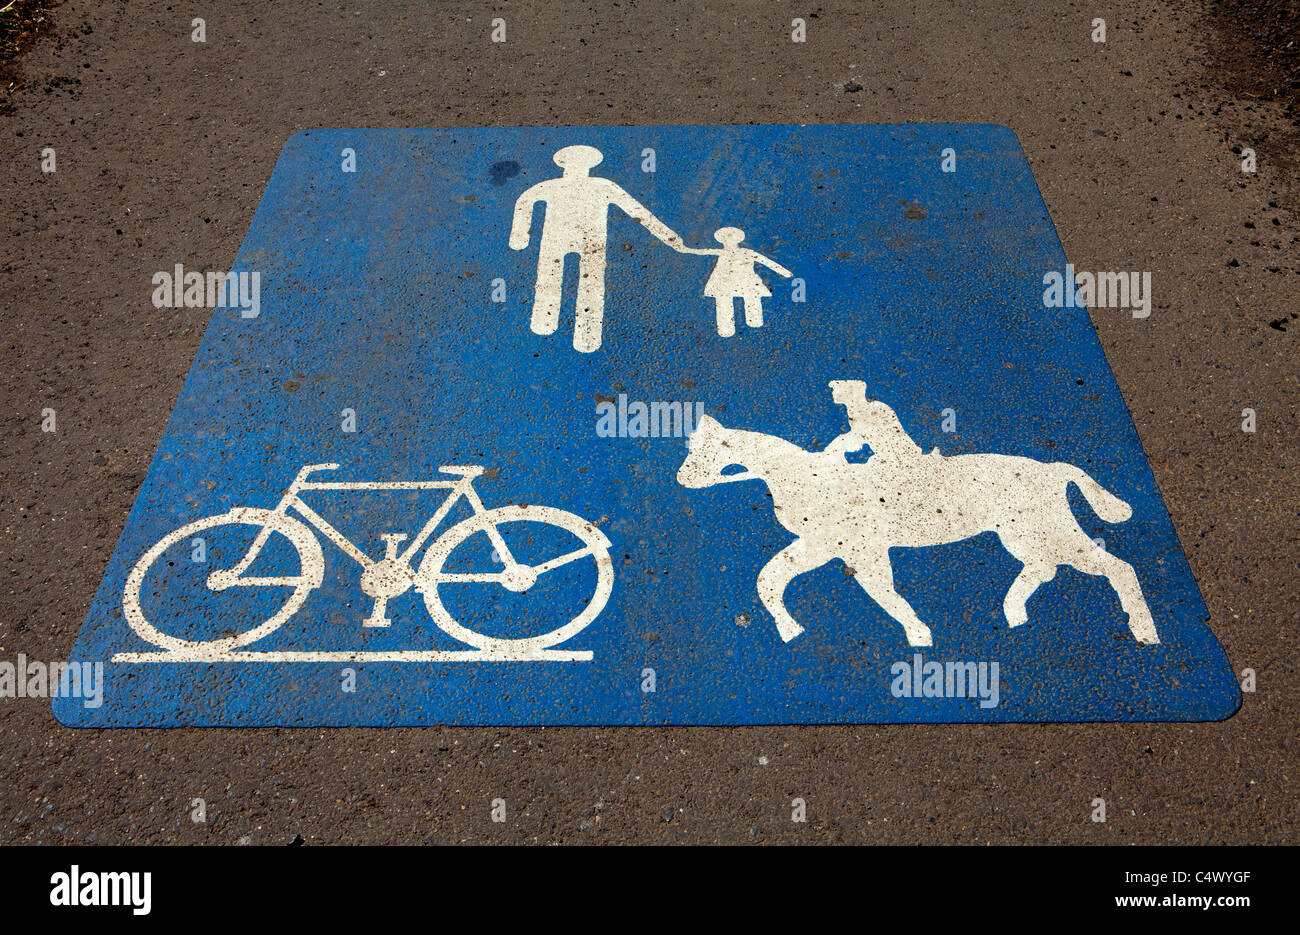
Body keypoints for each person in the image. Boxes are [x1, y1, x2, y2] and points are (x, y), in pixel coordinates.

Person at [509, 145, 685, 353]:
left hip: (586, 242)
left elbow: (636, 210)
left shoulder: (594, 186)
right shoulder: (588, 186)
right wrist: (671, 238)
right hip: (570, 241)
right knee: (560, 281)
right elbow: (525, 202)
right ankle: (562, 328)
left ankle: (573, 331)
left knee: (581, 284)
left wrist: (519, 238)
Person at [692, 227, 793, 337]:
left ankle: (754, 322)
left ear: (737, 239)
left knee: (752, 297)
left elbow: (765, 261)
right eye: (725, 238)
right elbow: (698, 251)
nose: (728, 240)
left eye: (731, 237)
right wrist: (680, 246)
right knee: (723, 299)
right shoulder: (720, 252)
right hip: (724, 281)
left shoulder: (747, 252)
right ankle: (726, 329)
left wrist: (784, 272)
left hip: (746, 280)